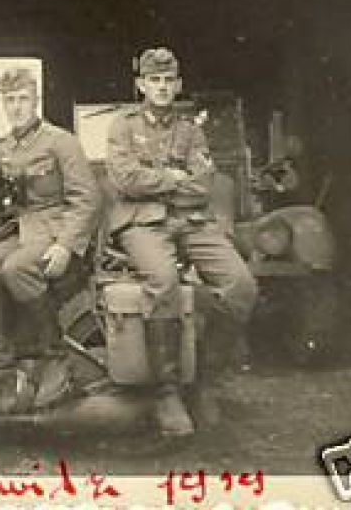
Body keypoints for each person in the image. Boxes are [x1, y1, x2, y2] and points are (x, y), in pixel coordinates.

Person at [105, 47, 258, 436]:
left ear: (178, 85)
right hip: (142, 223)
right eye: (153, 80)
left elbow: (203, 185)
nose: (161, 87)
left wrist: (157, 182)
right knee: (163, 281)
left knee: (241, 285)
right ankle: (167, 393)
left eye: (168, 80)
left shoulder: (191, 130)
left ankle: (204, 381)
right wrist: (174, 179)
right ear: (141, 85)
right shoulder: (122, 127)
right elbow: (124, 180)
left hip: (191, 221)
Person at [0, 67, 102, 410]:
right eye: (10, 100)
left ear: (36, 100)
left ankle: (54, 352)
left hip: (57, 228)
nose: (17, 107)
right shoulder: (3, 147)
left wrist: (65, 246)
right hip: (22, 229)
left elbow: (88, 199)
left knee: (15, 268)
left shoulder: (61, 141)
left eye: (23, 99)